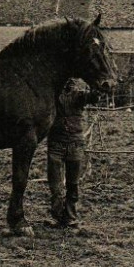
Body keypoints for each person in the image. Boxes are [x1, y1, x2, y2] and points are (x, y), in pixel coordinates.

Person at [47, 78, 100, 227]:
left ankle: (70, 216)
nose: (67, 86)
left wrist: (96, 87)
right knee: (55, 183)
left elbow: (93, 97)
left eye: (69, 83)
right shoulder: (52, 95)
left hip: (75, 142)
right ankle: (57, 216)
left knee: (73, 183)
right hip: (56, 143)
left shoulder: (79, 95)